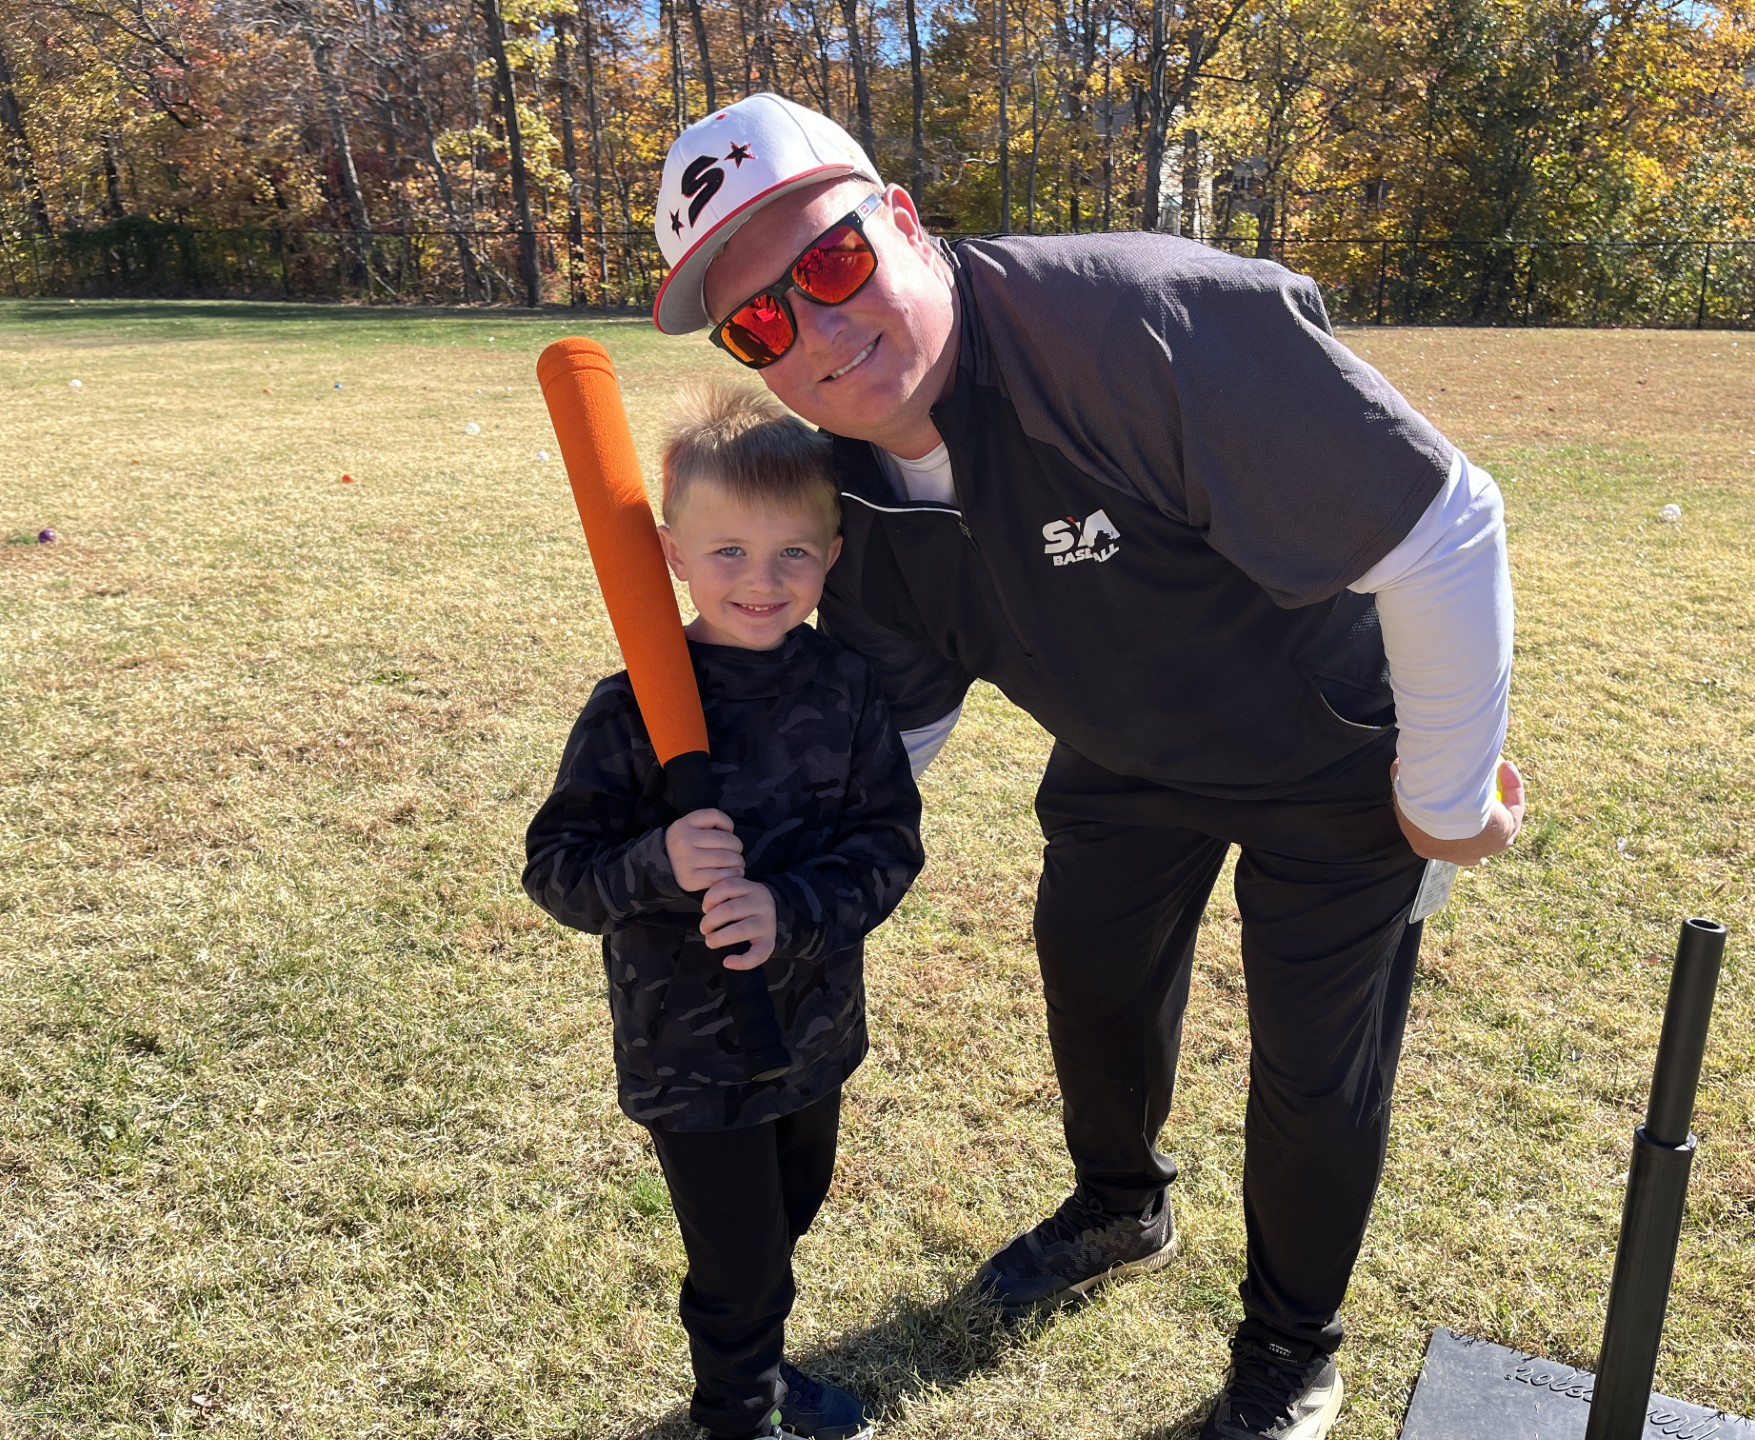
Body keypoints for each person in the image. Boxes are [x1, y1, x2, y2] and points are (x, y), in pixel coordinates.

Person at [649, 93, 1525, 1440]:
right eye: (761, 319)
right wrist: (776, 865)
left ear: (900, 220)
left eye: (828, 263)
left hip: (1327, 754)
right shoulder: (850, 486)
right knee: (1093, 978)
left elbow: (1446, 526)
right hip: (1120, 749)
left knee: (1313, 1068)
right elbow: (901, 721)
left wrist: (1447, 803)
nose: (817, 329)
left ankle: (1293, 1348)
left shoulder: (1136, 324)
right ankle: (1121, 1206)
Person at [522, 382, 924, 1440]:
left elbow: (887, 844)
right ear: (670, 552)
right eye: (729, 551)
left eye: (794, 551)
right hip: (687, 1054)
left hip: (812, 1030)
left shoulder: (845, 686)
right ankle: (736, 1411)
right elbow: (557, 871)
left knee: (788, 1219)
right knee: (738, 1260)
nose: (762, 578)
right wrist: (658, 860)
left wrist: (791, 908)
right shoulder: (630, 711)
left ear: (832, 557)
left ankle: (767, 1376)